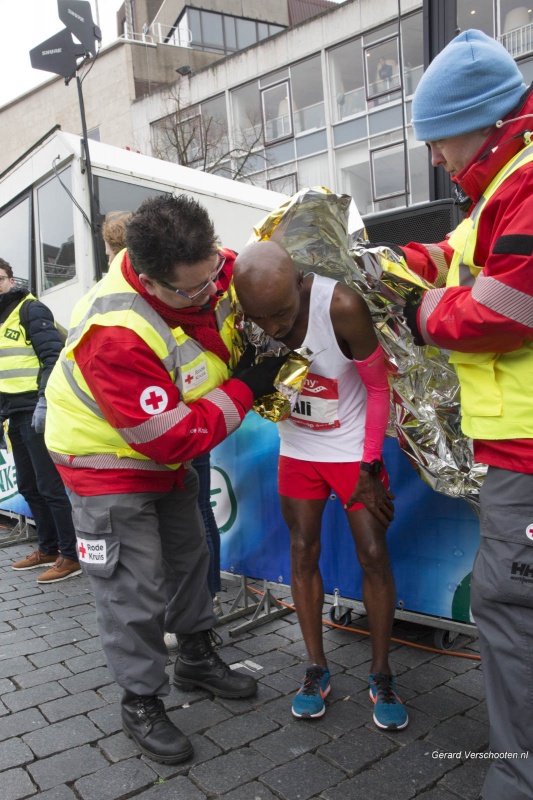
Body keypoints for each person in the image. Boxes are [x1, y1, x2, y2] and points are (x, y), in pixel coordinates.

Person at [43, 194, 287, 765]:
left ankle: (197, 658)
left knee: (189, 555)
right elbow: (168, 437)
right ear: (150, 279)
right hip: (106, 464)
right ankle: (141, 701)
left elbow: (231, 281)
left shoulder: (206, 265)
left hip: (166, 455)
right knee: (134, 586)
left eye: (212, 276)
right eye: (194, 289)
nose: (211, 292)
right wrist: (248, 386)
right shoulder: (115, 331)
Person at [393, 30, 532, 800]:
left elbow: (508, 302)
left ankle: (516, 780)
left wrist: (422, 312)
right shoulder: (505, 183)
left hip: (527, 453)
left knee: (511, 613)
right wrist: (388, 265)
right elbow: (452, 252)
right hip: (517, 449)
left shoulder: (525, 180)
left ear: (480, 122)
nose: (435, 158)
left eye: (437, 140)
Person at [233, 240, 408, 731]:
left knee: (373, 553)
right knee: (302, 549)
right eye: (260, 318)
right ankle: (316, 668)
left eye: (282, 314)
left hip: (353, 450)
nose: (272, 328)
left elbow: (378, 387)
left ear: (298, 282)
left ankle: (382, 673)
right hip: (298, 451)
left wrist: (371, 465)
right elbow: (262, 395)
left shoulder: (340, 305)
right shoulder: (249, 316)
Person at [0, 259, 81, 583]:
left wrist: (44, 402)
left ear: (10, 278)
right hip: (13, 412)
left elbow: (53, 357)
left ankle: (70, 555)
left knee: (49, 486)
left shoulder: (30, 309)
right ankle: (47, 548)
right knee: (29, 486)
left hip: (34, 408)